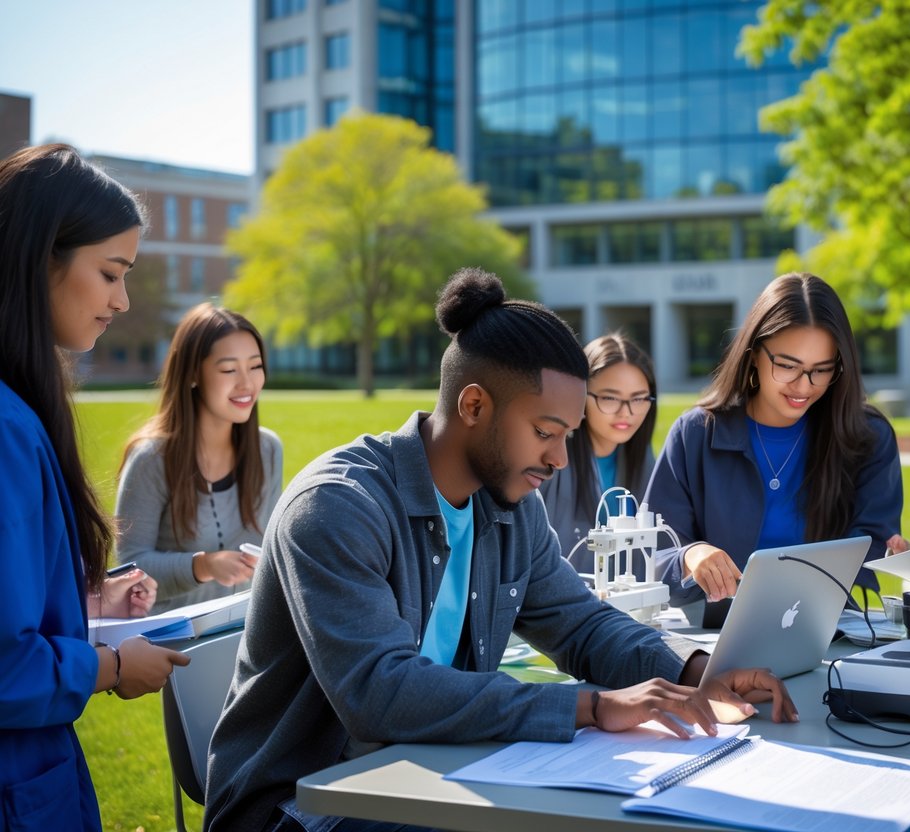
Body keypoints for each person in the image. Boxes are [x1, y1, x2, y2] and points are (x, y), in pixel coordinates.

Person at [204, 268, 795, 832]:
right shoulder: (337, 507)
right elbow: (380, 694)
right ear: (474, 406)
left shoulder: (508, 507)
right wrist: (588, 707)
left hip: (435, 775)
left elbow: (581, 624)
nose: (561, 459)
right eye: (545, 432)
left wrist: (698, 672)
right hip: (298, 809)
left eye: (566, 435)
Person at [0, 143, 189, 830]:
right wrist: (108, 666)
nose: (122, 300)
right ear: (41, 256)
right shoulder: (5, 427)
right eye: (110, 273)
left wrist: (80, 600)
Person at [645, 272, 904, 628]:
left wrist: (892, 557)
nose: (803, 386)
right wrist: (690, 555)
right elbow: (652, 552)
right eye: (787, 365)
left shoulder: (868, 437)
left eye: (822, 370)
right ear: (753, 355)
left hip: (827, 634)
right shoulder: (695, 435)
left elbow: (874, 541)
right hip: (714, 638)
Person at [114, 302, 283, 612]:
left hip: (242, 637)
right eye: (229, 369)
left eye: (255, 366)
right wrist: (203, 566)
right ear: (193, 373)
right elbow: (129, 569)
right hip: (170, 642)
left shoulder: (268, 450)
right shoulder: (151, 459)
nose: (247, 383)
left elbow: (269, 552)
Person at [538, 332, 657, 569]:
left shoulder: (641, 457)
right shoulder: (550, 458)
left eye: (638, 399)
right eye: (610, 398)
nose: (626, 412)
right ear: (580, 395)